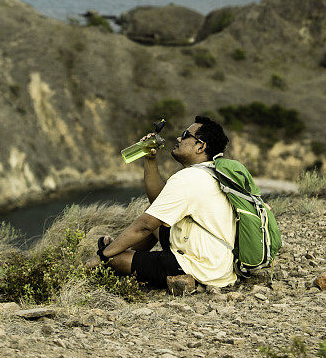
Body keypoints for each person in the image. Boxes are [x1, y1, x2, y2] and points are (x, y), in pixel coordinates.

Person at [85, 115, 237, 290]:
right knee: (155, 213)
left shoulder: (188, 178)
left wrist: (103, 256)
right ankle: (129, 255)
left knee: (112, 260)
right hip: (218, 264)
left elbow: (144, 226)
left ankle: (121, 257)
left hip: (200, 268)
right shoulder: (210, 173)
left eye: (186, 135)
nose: (179, 139)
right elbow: (158, 204)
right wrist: (150, 159)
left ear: (200, 146)